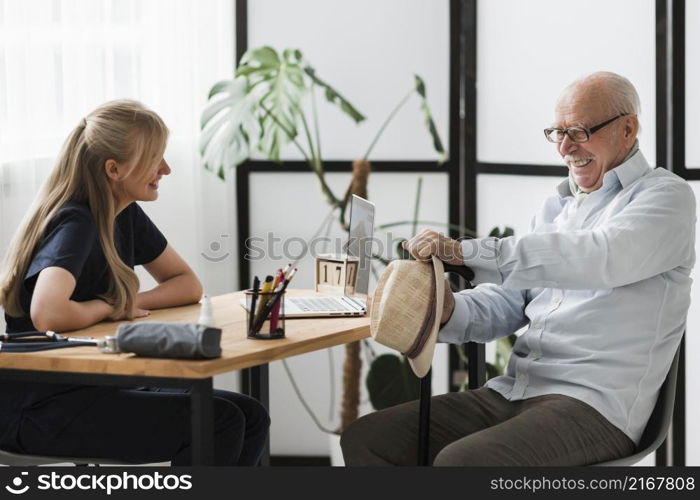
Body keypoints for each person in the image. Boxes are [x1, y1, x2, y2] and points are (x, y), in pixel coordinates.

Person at [341, 72, 696, 466]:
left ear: (627, 128)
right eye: (557, 132)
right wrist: (448, 310)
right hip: (514, 392)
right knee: (369, 439)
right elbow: (509, 303)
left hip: (594, 407)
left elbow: (601, 257)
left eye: (578, 131)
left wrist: (464, 252)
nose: (565, 147)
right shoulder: (557, 208)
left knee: (462, 464)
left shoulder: (666, 197)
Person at [0, 100, 269, 465]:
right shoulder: (76, 221)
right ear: (114, 169)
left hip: (97, 382)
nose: (167, 169)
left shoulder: (124, 214)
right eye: (156, 158)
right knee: (219, 421)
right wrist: (111, 306)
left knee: (249, 415)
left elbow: (187, 284)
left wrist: (130, 302)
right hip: (41, 405)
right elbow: (47, 314)